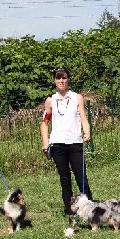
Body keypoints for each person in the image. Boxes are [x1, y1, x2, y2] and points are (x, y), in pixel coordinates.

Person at [40, 67, 93, 216]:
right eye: (58, 78)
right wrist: (46, 144)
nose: (61, 81)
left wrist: (87, 132)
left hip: (75, 143)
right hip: (58, 144)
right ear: (54, 80)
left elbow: (83, 117)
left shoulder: (77, 97)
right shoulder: (50, 100)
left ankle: (89, 209)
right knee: (65, 179)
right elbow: (44, 123)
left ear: (68, 79)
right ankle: (70, 211)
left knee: (81, 177)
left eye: (64, 78)